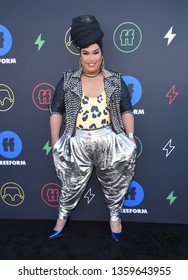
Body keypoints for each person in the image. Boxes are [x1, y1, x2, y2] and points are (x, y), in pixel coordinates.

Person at [49, 15, 137, 241]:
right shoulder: (68, 80)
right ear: (79, 55)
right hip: (77, 142)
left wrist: (130, 137)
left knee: (115, 183)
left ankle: (115, 217)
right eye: (85, 53)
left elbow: (126, 109)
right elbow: (56, 111)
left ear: (102, 53)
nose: (91, 58)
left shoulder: (115, 80)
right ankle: (61, 216)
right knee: (70, 184)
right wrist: (55, 141)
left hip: (109, 139)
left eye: (95, 52)